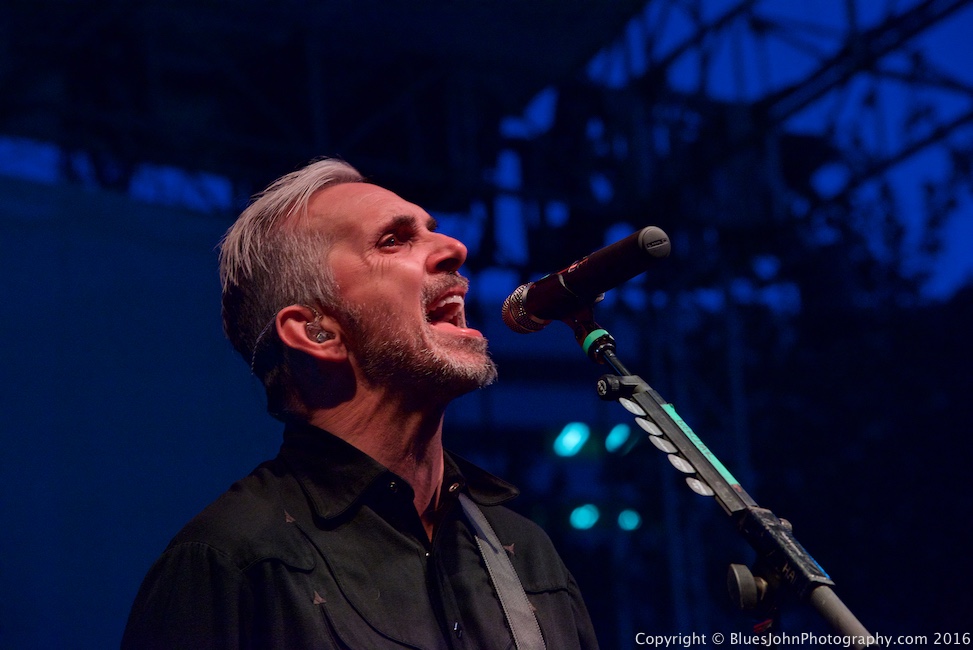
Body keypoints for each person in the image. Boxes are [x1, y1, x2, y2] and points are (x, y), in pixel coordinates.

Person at [121, 158, 599, 649]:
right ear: (317, 332)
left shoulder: (528, 558)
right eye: (394, 240)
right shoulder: (231, 563)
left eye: (433, 230)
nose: (455, 248)